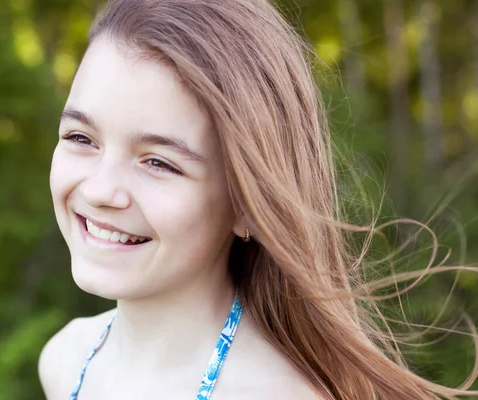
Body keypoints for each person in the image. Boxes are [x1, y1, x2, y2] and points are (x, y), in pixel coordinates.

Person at [38, 0, 478, 398]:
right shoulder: (66, 359)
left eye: (159, 163)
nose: (99, 190)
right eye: (81, 137)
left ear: (249, 201)